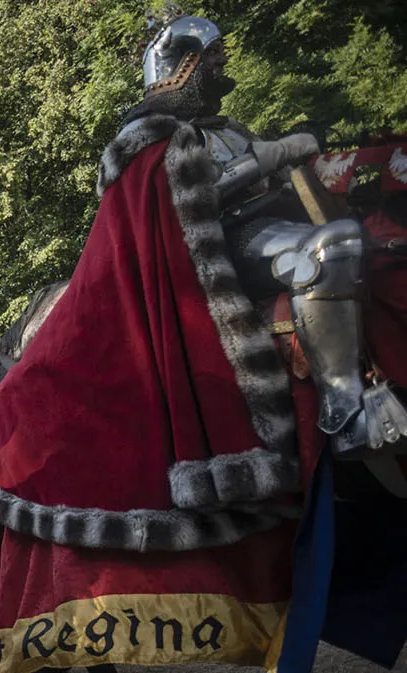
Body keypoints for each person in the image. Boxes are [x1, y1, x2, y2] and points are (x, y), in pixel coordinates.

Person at [126, 15, 405, 455]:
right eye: (212, 55)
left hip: (269, 225)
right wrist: (272, 155)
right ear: (183, 67)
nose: (221, 63)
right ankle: (344, 411)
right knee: (328, 249)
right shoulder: (148, 136)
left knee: (359, 236)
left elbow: (275, 184)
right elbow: (194, 195)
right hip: (219, 245)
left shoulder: (229, 129)